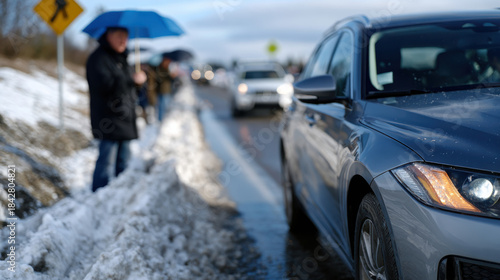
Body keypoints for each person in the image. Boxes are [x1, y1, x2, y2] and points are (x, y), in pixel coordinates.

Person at [86, 27, 147, 192]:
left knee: (124, 162)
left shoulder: (123, 59)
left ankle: (120, 195)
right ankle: (98, 195)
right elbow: (103, 87)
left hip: (126, 120)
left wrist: (139, 84)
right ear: (109, 36)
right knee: (106, 162)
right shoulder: (98, 59)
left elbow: (131, 93)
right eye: (119, 36)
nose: (123, 41)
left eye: (126, 37)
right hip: (108, 120)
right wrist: (129, 80)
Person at [148, 56, 174, 122]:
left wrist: (172, 76)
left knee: (166, 106)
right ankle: (161, 120)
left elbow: (170, 80)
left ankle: (164, 120)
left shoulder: (168, 68)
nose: (168, 62)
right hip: (161, 90)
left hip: (167, 90)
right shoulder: (159, 68)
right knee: (161, 107)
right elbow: (159, 78)